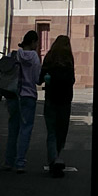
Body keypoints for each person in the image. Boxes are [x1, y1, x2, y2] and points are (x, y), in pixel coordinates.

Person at [3, 30, 42, 174]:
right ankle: (20, 163)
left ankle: (8, 161)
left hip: (13, 95)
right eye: (36, 42)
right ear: (32, 42)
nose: (37, 45)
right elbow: (37, 79)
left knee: (13, 129)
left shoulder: (14, 55)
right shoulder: (34, 58)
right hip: (28, 96)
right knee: (25, 129)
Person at [40, 35, 75, 178]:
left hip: (51, 99)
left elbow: (40, 78)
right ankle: (56, 157)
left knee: (52, 131)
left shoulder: (49, 60)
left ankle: (54, 158)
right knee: (61, 131)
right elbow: (72, 80)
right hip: (65, 100)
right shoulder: (68, 62)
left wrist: (48, 79)